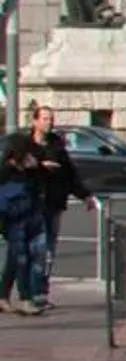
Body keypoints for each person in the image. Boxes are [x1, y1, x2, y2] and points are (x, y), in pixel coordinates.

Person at [1, 108, 80, 313]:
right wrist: (34, 165)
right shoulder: (17, 155)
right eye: (45, 119)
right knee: (22, 256)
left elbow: (69, 175)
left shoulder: (55, 147)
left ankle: (26, 295)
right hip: (18, 213)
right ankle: (27, 298)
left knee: (34, 253)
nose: (50, 122)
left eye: (51, 119)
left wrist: (85, 195)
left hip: (40, 207)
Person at [0, 136, 43, 314]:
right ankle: (25, 299)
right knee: (21, 258)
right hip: (12, 219)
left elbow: (38, 188)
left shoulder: (29, 169)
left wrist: (36, 168)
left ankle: (2, 296)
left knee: (14, 259)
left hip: (27, 217)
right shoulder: (5, 170)